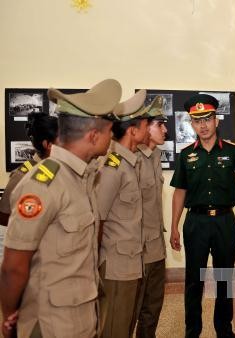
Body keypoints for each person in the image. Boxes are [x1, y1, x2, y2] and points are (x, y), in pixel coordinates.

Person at [0, 79, 122, 338]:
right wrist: (9, 319)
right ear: (93, 135)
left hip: (83, 317)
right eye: (110, 131)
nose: (112, 139)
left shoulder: (84, 177)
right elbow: (13, 266)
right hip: (52, 325)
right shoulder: (43, 184)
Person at [169, 94, 235, 338]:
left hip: (225, 223)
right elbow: (180, 192)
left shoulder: (232, 151)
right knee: (193, 281)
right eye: (197, 121)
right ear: (192, 124)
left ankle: (224, 330)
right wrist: (174, 226)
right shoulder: (186, 155)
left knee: (224, 279)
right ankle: (192, 331)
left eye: (207, 119)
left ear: (216, 120)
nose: (203, 125)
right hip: (195, 222)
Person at [96, 89, 149, 338]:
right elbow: (97, 218)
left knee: (124, 325)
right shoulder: (113, 167)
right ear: (133, 130)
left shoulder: (130, 163)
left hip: (130, 262)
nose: (149, 131)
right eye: (146, 125)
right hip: (116, 266)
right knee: (114, 328)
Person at [133, 96, 168, 337]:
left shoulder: (155, 157)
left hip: (156, 245)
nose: (165, 129)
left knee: (152, 307)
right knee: (129, 309)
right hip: (135, 250)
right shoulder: (131, 159)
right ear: (144, 128)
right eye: (159, 124)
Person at [0, 113, 58, 227]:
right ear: (48, 145)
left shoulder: (60, 169)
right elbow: (3, 216)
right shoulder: (22, 175)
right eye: (62, 142)